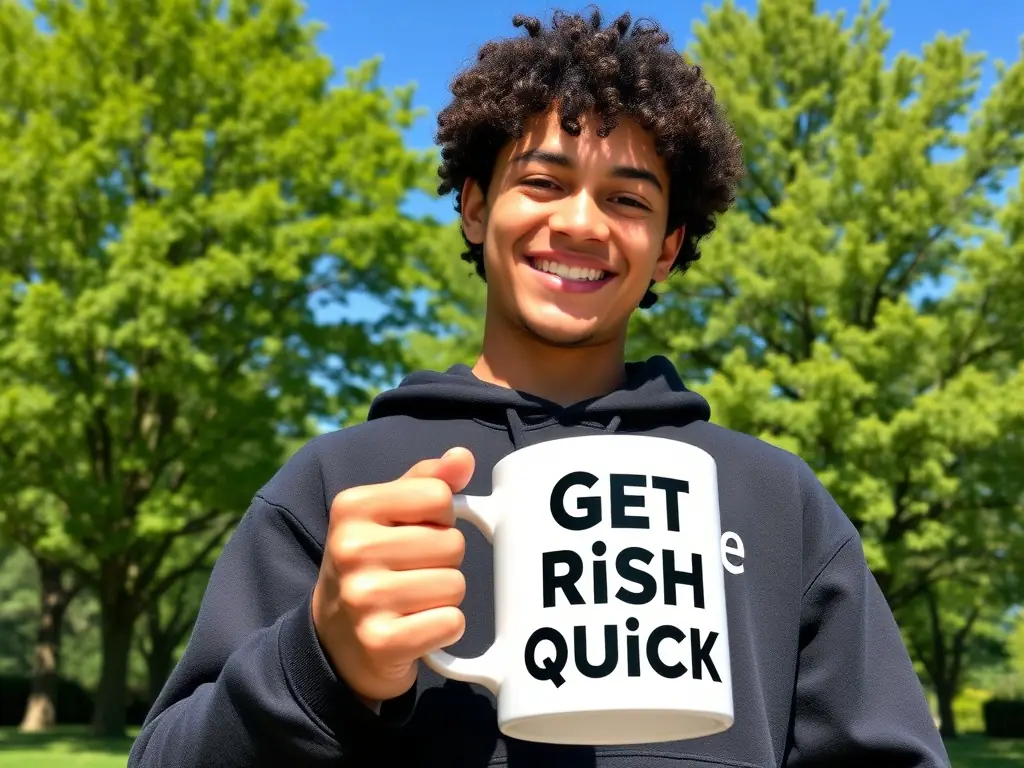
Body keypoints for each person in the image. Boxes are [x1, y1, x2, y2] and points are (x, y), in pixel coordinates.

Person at [129, 9, 950, 767]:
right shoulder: (340, 486)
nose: (581, 223)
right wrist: (315, 662)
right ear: (475, 209)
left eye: (626, 198)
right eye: (544, 183)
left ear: (667, 249)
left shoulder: (777, 502)